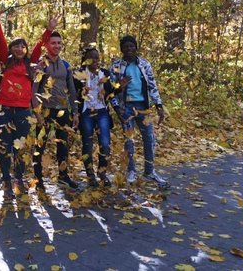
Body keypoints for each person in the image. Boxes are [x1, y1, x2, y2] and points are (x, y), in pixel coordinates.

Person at [0, 5, 57, 196]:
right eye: (16, 46)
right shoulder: (6, 62)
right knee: (4, 147)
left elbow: (39, 46)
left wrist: (49, 29)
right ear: (11, 49)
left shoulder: (29, 63)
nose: (19, 48)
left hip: (23, 111)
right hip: (3, 109)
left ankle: (18, 178)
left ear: (25, 50)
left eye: (22, 46)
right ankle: (6, 181)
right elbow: (1, 42)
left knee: (21, 147)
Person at [109, 35, 169, 188]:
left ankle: (149, 171)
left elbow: (152, 86)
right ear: (121, 49)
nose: (129, 49)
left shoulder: (144, 64)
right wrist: (117, 108)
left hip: (143, 107)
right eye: (126, 47)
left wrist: (159, 106)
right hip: (126, 108)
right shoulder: (116, 66)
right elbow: (110, 91)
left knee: (149, 138)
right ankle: (131, 171)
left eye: (131, 46)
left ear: (135, 47)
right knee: (129, 140)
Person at [32, 31, 80, 191]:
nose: (57, 46)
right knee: (40, 145)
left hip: (63, 111)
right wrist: (37, 113)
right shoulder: (41, 64)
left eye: (59, 43)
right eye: (53, 43)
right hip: (45, 111)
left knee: (63, 145)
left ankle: (63, 176)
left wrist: (75, 112)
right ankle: (38, 179)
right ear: (46, 45)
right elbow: (34, 90)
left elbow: (72, 90)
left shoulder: (66, 65)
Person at [73, 47, 122, 188]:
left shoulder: (104, 73)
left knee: (105, 144)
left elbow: (110, 93)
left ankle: (102, 172)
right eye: (91, 58)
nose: (95, 60)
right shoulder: (79, 74)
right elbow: (73, 94)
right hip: (86, 112)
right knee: (87, 144)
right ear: (85, 60)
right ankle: (90, 174)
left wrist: (120, 87)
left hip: (102, 112)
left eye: (97, 58)